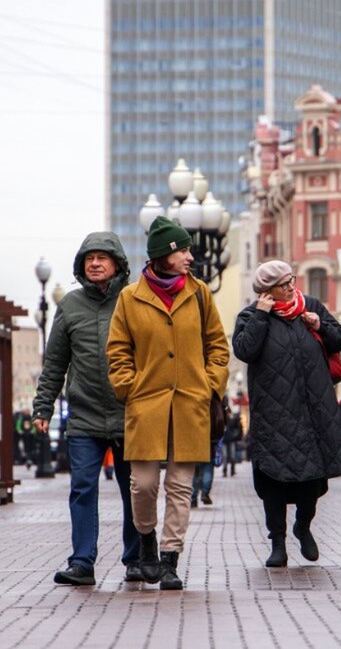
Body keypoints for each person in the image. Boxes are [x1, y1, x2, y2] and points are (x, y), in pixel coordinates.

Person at [107, 216, 229, 590]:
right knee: (143, 484)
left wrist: (209, 386)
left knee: (179, 487)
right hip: (146, 405)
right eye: (184, 250)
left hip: (190, 404)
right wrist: (129, 387)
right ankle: (146, 540)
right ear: (164, 255)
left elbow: (218, 347)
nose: (191, 257)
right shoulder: (130, 298)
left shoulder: (200, 293)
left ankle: (170, 558)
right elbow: (118, 351)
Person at [33, 232, 141, 587]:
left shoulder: (134, 301)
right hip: (84, 417)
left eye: (102, 258)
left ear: (117, 264)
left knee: (135, 490)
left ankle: (136, 559)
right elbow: (55, 364)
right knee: (82, 487)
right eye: (89, 258)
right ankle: (82, 561)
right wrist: (43, 406)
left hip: (130, 415)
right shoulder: (70, 306)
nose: (95, 263)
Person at [232, 260, 341, 568]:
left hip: (313, 410)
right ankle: (278, 542)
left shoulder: (310, 306)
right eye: (284, 284)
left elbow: (340, 340)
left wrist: (318, 324)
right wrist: (261, 314)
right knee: (273, 481)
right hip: (273, 415)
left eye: (291, 281)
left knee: (312, 478)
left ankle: (304, 526)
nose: (291, 287)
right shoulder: (250, 315)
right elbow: (245, 350)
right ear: (267, 291)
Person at [221, 403, 243, 477]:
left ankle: (232, 470)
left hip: (231, 440)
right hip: (224, 440)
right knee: (225, 456)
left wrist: (236, 436)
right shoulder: (222, 419)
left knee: (232, 456)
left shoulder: (232, 419)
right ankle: (224, 471)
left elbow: (238, 427)